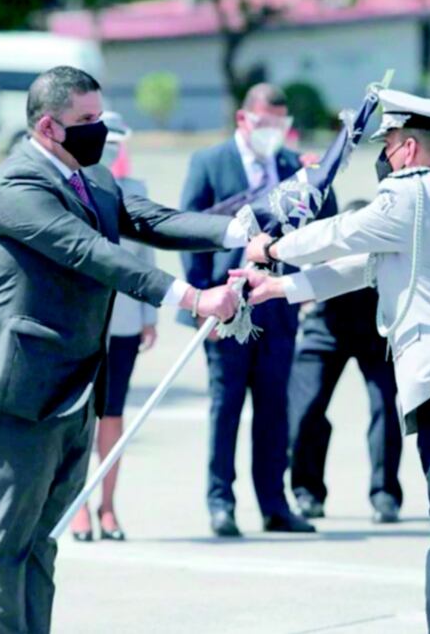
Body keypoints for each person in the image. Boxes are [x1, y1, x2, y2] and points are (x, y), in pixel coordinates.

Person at [0, 66, 246, 634]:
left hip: (70, 388)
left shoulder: (92, 176)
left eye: (101, 118)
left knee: (44, 541)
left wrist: (238, 230)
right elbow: (90, 252)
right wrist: (188, 296)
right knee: (5, 544)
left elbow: (151, 219)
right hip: (15, 393)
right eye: (86, 121)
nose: (100, 131)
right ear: (47, 126)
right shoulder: (17, 188)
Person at [234, 90, 430, 634]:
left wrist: (273, 247)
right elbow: (364, 266)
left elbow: (341, 234)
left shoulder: (412, 198)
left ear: (410, 148)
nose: (385, 155)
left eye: (390, 144)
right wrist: (280, 288)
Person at [180, 83, 324, 537]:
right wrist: (203, 302)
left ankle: (273, 503)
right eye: (265, 123)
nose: (273, 133)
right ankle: (221, 502)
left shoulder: (289, 166)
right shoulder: (210, 162)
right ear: (244, 119)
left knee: (274, 409)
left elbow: (310, 230)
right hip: (224, 307)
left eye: (280, 125)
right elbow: (189, 233)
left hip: (276, 308)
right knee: (226, 409)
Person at [287, 198, 404, 524]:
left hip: (375, 330)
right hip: (326, 327)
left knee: (385, 409)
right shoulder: (328, 236)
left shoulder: (387, 241)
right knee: (304, 409)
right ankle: (307, 491)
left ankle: (385, 495)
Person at [69, 111, 156, 543]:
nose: (113, 150)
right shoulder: (70, 187)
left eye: (120, 141)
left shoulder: (135, 190)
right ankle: (78, 505)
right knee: (80, 416)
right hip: (81, 322)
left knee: (114, 414)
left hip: (123, 320)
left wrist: (149, 315)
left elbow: (147, 257)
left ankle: (108, 505)